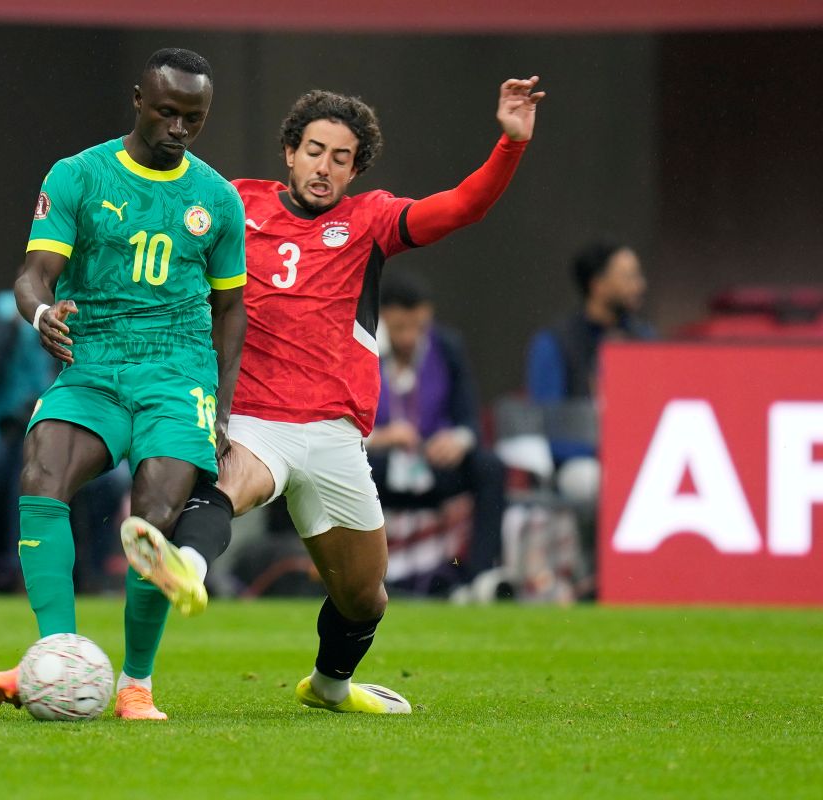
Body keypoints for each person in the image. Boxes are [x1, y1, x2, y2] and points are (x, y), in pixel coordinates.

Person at [160, 77, 544, 715]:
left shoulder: (370, 220)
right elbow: (157, 242)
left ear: (356, 169)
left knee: (366, 597)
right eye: (314, 150)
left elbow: (461, 207)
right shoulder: (233, 203)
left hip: (337, 433)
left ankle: (330, 685)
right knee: (231, 485)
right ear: (289, 151)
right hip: (256, 416)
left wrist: (509, 143)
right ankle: (188, 568)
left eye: (341, 158)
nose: (324, 166)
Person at [0, 48, 247, 721]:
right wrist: (41, 312)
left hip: (177, 372)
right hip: (94, 365)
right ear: (137, 99)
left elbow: (232, 307)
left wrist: (223, 406)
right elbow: (34, 272)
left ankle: (135, 685)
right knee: (41, 474)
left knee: (151, 522)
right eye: (166, 111)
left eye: (194, 117)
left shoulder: (216, 198)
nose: (178, 127)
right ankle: (54, 657)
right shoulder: (79, 176)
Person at [0, 289, 129, 593]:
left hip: (79, 431)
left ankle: (96, 574)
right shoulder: (3, 312)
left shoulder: (91, 315)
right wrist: (11, 331)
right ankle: (24, 571)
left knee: (115, 479)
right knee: (30, 457)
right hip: (4, 436)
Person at [366, 272, 507, 596]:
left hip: (433, 464)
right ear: (383, 317)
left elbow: (469, 419)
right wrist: (382, 436)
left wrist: (457, 440)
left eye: (418, 327)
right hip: (380, 467)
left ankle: (479, 579)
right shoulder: (361, 347)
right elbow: (336, 425)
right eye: (400, 328)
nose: (409, 338)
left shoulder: (447, 347)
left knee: (489, 467)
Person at [525, 241, 654, 509]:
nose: (639, 285)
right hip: (580, 464)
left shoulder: (647, 341)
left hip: (642, 459)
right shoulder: (555, 343)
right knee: (601, 482)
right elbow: (550, 425)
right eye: (628, 277)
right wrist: (606, 451)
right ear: (598, 285)